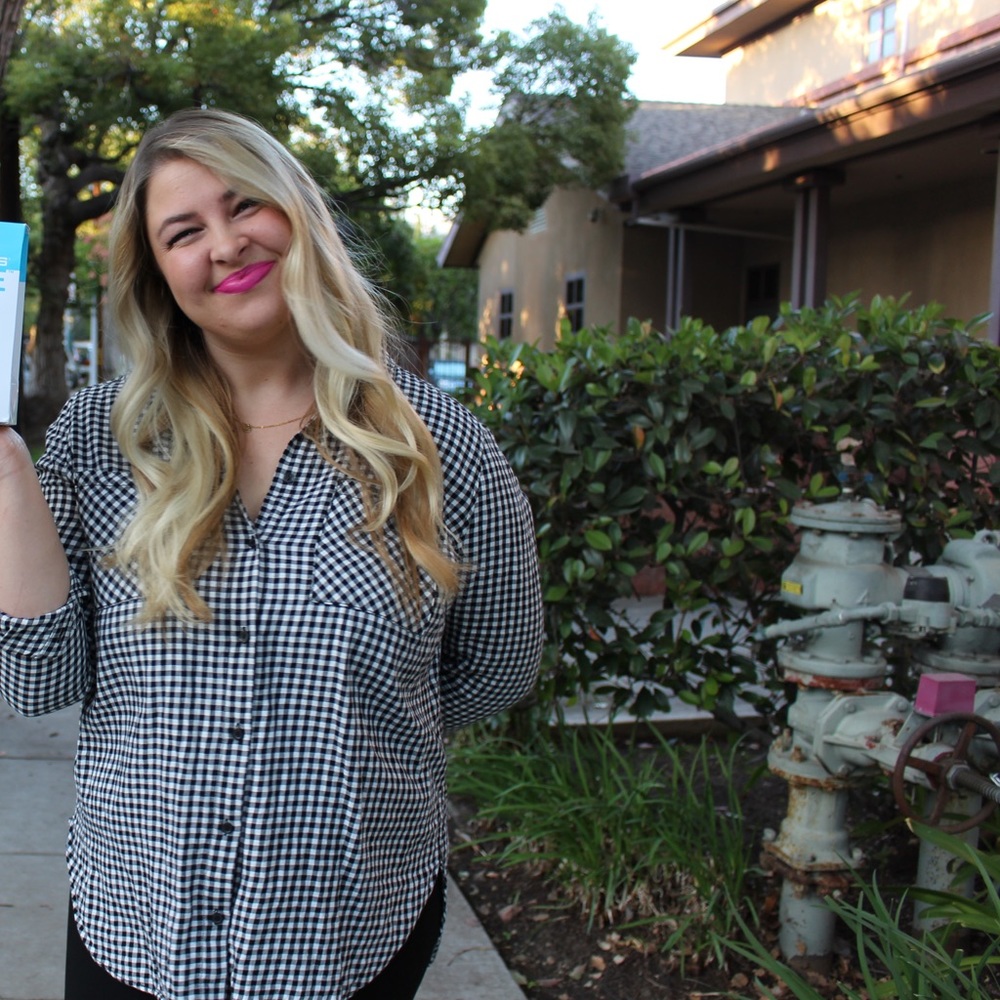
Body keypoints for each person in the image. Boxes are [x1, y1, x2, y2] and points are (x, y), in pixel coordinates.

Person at [0, 108, 543, 1000]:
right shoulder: (98, 442)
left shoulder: (443, 446)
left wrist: (358, 723)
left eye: (245, 203)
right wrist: (10, 471)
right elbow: (39, 681)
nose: (224, 243)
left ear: (298, 215)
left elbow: (497, 668)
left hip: (348, 937)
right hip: (135, 933)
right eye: (183, 232)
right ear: (159, 275)